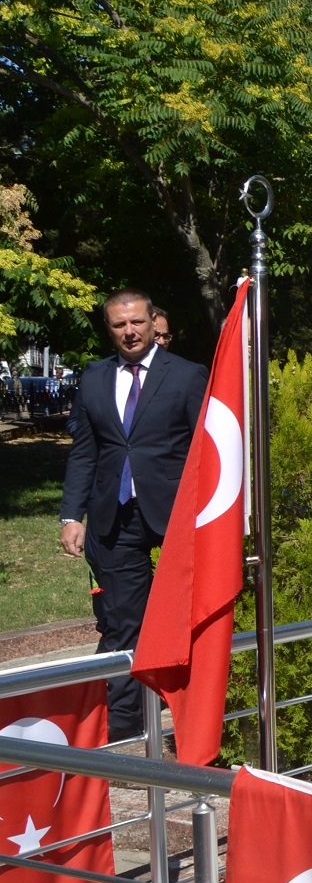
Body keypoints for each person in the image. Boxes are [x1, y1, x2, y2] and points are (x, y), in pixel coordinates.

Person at [58, 290, 208, 740]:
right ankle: (127, 732)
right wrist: (71, 515)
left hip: (176, 514)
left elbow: (207, 451)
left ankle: (195, 723)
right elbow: (85, 451)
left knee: (190, 618)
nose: (130, 332)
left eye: (138, 322)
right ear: (110, 329)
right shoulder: (95, 378)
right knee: (124, 622)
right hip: (114, 517)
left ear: (152, 322)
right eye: (120, 325)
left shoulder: (186, 375)